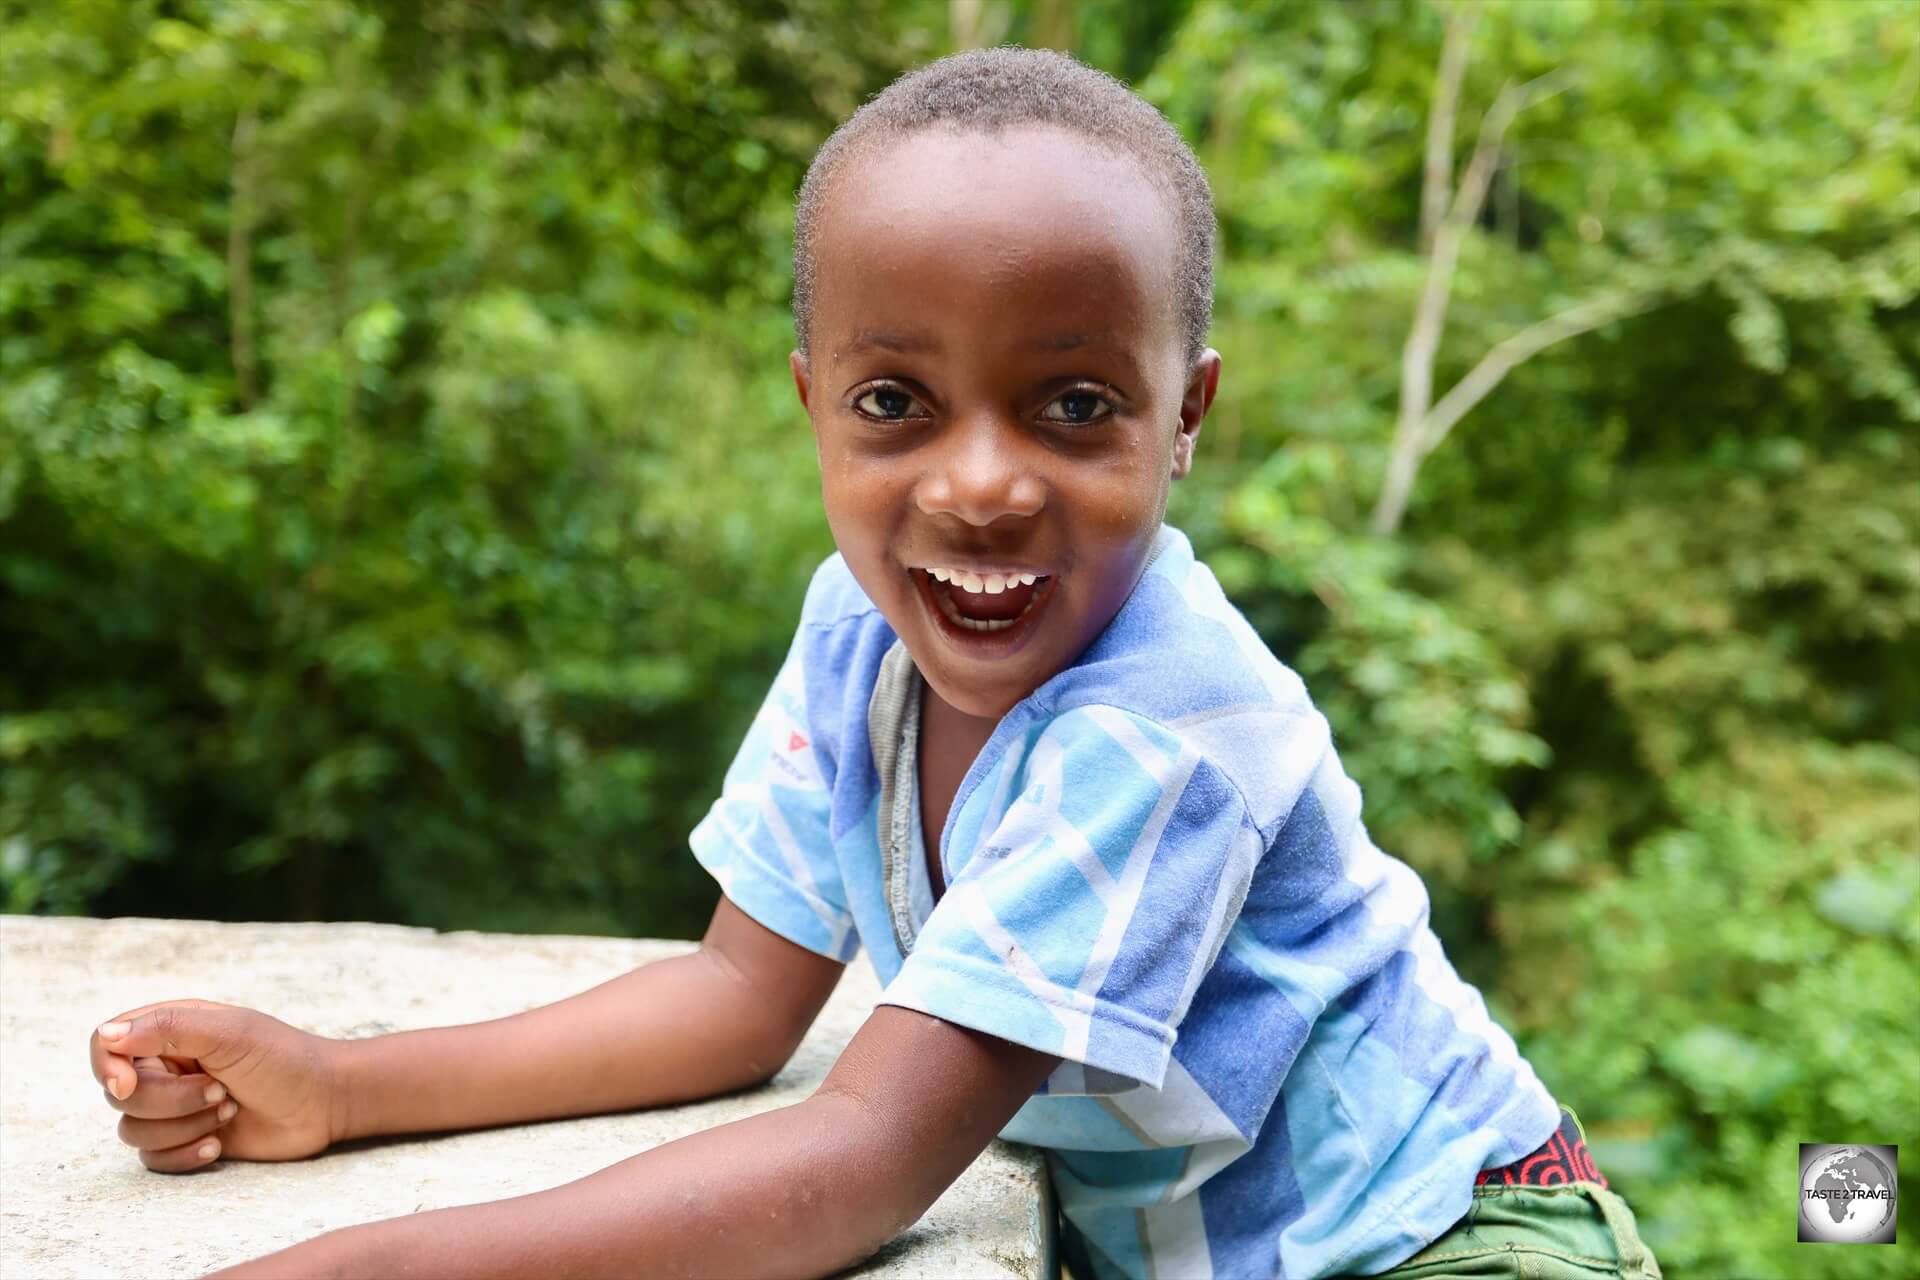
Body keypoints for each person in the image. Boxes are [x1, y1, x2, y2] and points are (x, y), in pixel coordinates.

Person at [86, 48, 1662, 1280]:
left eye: (1075, 406)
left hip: (1453, 1240)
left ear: (1185, 418)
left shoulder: (1169, 732)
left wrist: (378, 1264)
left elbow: (861, 1160)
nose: (979, 485)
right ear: (812, 405)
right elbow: (731, 998)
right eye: (897, 403)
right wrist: (339, 1087)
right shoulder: (862, 632)